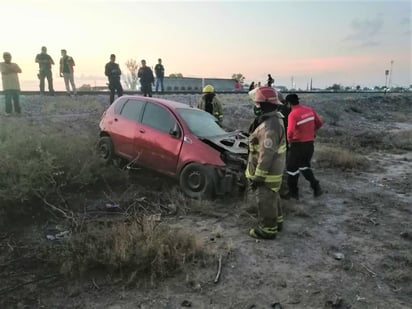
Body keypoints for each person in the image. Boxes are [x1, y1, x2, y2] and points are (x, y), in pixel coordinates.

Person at [245, 86, 286, 239]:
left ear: (264, 105)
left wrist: (258, 177)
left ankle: (267, 230)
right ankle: (278, 222)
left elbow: (266, 155)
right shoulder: (273, 120)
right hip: (274, 171)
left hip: (267, 174)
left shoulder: (270, 126)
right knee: (273, 196)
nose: (256, 107)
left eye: (258, 104)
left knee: (265, 200)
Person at [285, 93, 323, 200]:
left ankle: (293, 194)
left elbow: (290, 132)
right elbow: (319, 123)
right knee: (304, 166)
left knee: (292, 169)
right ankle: (316, 187)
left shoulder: (293, 114)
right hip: (309, 144)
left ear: (288, 103)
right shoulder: (309, 110)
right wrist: (311, 132)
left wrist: (289, 142)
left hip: (298, 145)